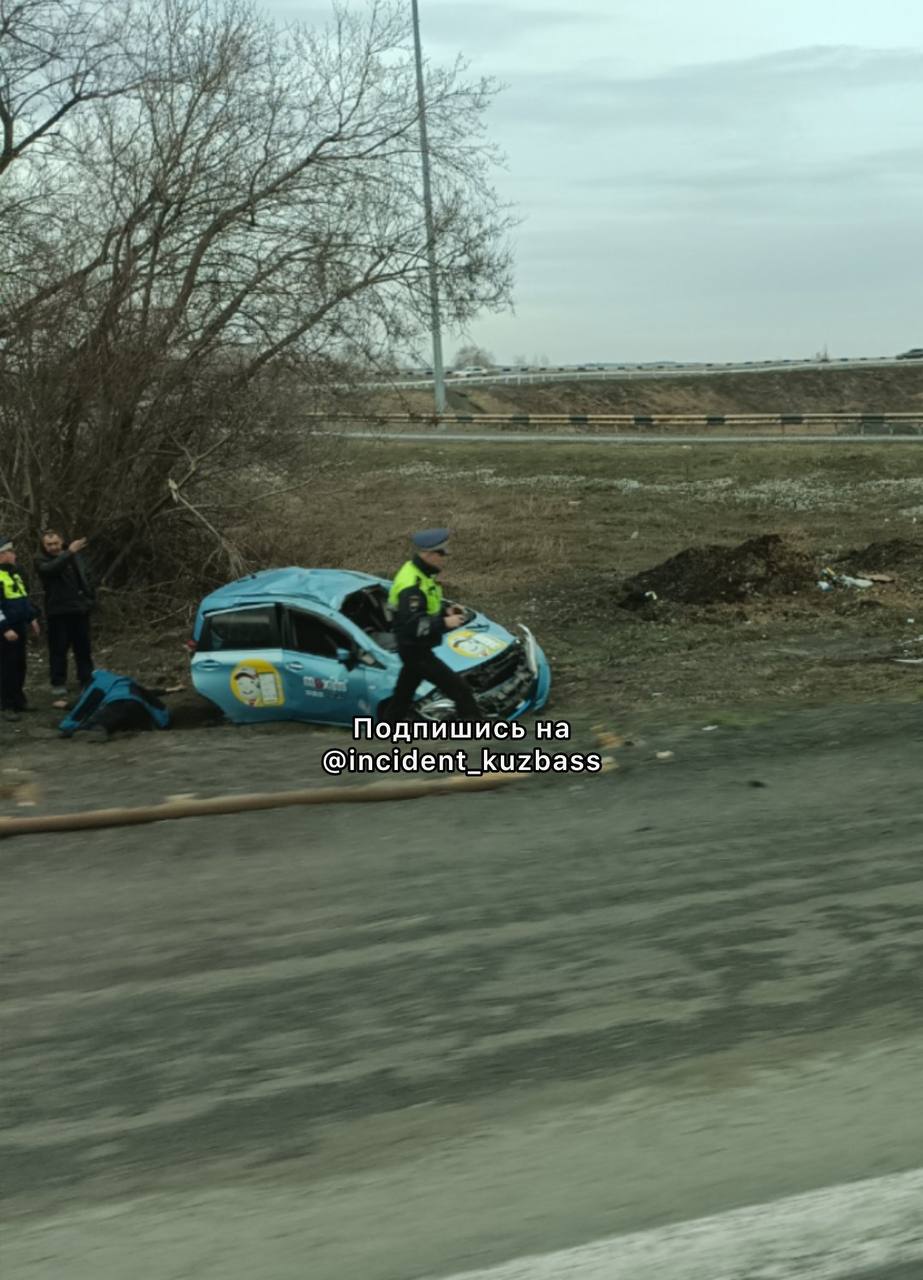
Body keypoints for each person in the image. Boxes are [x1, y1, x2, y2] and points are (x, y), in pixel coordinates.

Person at [385, 527, 486, 723]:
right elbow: (412, 626)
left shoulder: (420, 574)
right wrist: (444, 622)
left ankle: (388, 725)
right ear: (428, 554)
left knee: (403, 694)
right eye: (441, 553)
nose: (444, 558)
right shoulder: (411, 585)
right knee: (460, 689)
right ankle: (476, 728)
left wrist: (444, 612)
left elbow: (424, 610)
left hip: (414, 647)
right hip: (415, 649)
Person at [35, 530, 95, 699]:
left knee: (83, 648)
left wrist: (90, 599)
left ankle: (86, 679)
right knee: (58, 650)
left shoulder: (75, 555)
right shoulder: (41, 560)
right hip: (58, 611)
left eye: (56, 543)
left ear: (61, 542)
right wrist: (69, 552)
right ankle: (58, 682)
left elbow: (86, 576)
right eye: (49, 544)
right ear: (43, 545)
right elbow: (50, 570)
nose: (53, 547)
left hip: (79, 609)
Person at [0, 535, 40, 722]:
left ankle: (19, 699)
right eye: (10, 551)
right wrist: (5, 628)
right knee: (6, 666)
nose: (14, 554)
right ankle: (6, 703)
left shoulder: (15, 573)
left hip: (19, 625)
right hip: (6, 629)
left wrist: (32, 618)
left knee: (19, 665)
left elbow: (23, 598)